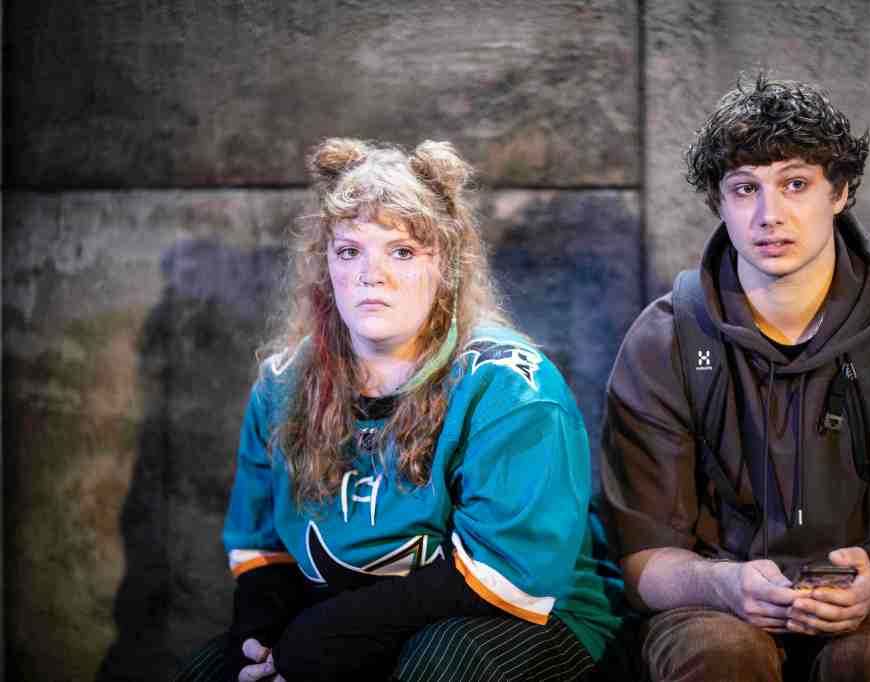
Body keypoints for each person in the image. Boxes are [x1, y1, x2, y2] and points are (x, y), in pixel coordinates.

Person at [175, 138, 620, 681]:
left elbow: (512, 575)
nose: (372, 274)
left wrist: (323, 640)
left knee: (439, 664)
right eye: (349, 251)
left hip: (528, 618)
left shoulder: (510, 388)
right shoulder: (282, 385)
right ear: (326, 266)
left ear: (446, 266)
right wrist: (262, 639)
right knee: (207, 672)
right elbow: (263, 545)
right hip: (353, 620)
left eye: (402, 251)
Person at [600, 74, 870, 681]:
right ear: (719, 202)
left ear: (840, 192)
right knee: (720, 655)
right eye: (744, 189)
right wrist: (724, 585)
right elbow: (641, 559)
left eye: (795, 184)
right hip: (711, 605)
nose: (769, 215)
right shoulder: (663, 341)